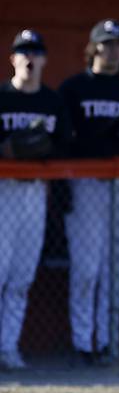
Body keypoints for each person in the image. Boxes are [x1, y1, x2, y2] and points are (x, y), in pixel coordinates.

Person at [59, 19, 119, 365]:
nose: (113, 50)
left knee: (117, 268)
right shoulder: (73, 89)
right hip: (86, 184)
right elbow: (66, 142)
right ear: (93, 47)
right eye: (106, 43)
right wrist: (109, 133)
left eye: (118, 44)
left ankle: (107, 342)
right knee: (87, 268)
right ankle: (83, 343)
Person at [0, 30, 71, 370]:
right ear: (12, 58)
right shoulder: (1, 96)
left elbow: (67, 144)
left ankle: (8, 346)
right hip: (3, 190)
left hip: (36, 191)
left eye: (35, 51)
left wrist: (46, 149)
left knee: (22, 275)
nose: (29, 57)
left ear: (44, 59)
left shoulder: (52, 102)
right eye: (22, 51)